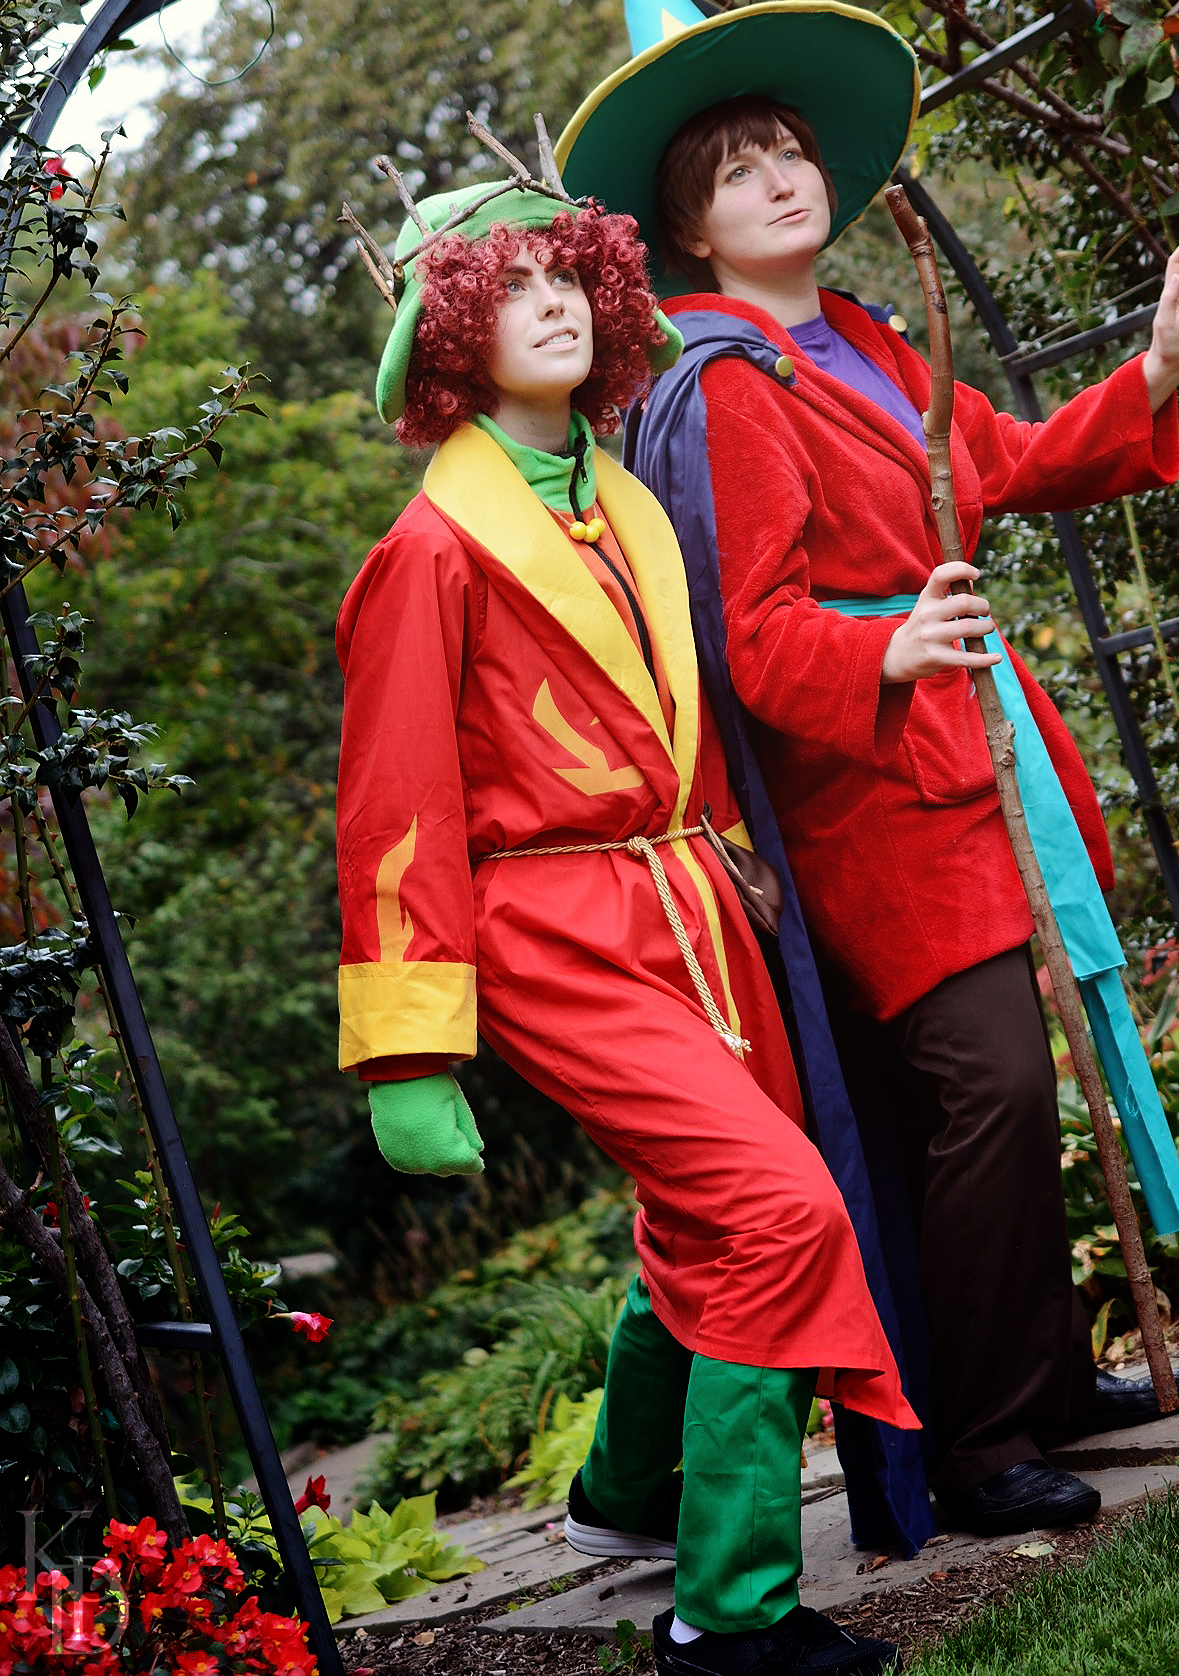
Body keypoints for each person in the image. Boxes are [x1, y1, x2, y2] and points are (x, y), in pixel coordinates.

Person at [557, 0, 1179, 1538]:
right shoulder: (724, 382)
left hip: (968, 757)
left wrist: (1152, 370)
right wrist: (886, 646)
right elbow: (751, 635)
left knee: (1012, 1085)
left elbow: (1003, 462)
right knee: (985, 1084)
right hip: (869, 789)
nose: (779, 177)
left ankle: (1044, 1383)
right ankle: (978, 1443)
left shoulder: (868, 342)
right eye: (738, 169)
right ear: (689, 228)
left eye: (789, 150)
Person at [334, 166, 916, 1676]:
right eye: (509, 287)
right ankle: (729, 1614)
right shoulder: (428, 552)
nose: (552, 306)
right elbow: (396, 808)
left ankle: (619, 1501)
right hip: (552, 937)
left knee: (707, 1215)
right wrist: (409, 1053)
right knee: (778, 1214)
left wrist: (741, 864)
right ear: (449, 334)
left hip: (693, 906)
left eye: (567, 276)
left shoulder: (629, 501)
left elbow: (677, 731)